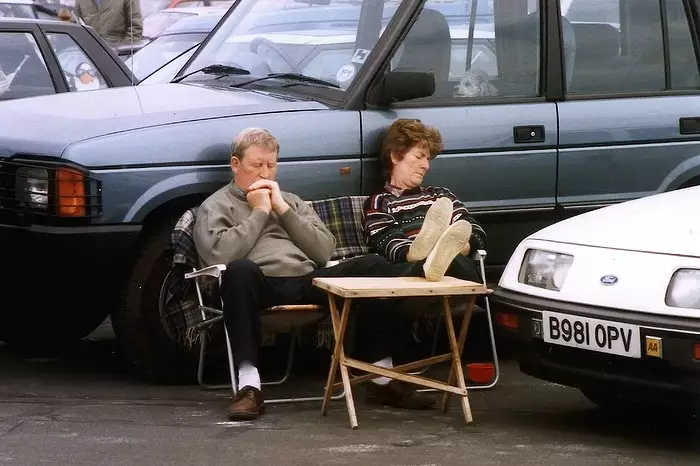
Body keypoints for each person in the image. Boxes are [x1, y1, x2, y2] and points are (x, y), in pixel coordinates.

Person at [193, 128, 436, 422]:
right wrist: (259, 212)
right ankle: (248, 386)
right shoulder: (217, 205)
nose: (265, 173)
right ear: (235, 164)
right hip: (259, 283)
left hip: (308, 279)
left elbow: (323, 251)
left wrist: (281, 208)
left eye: (271, 165)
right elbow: (218, 255)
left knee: (372, 265)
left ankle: (380, 377)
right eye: (257, 165)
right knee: (239, 270)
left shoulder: (291, 201)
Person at [363, 118, 487, 284]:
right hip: (410, 274)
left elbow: (476, 231)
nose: (426, 166)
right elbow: (389, 243)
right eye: (419, 156)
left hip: (455, 269)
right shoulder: (380, 202)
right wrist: (416, 254)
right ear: (395, 157)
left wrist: (456, 248)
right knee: (409, 266)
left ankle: (442, 252)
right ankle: (422, 252)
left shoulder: (441, 196)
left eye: (427, 159)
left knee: (457, 254)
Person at [74, 0, 143, 47]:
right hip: (92, 55)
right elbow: (76, 25)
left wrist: (123, 50)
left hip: (119, 55)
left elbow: (135, 28)